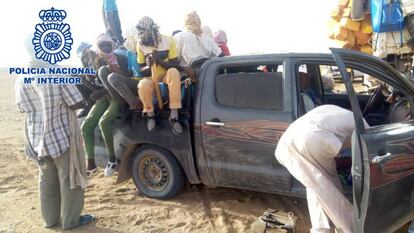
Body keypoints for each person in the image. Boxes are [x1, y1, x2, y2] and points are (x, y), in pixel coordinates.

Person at [15, 37, 94, 229]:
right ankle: (71, 221)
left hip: (37, 139)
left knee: (46, 182)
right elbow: (76, 102)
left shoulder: (21, 78)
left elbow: (21, 108)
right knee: (70, 179)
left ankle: (50, 220)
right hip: (61, 137)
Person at [275, 105, 368, 233]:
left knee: (314, 186)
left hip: (288, 143)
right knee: (329, 187)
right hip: (313, 139)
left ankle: (321, 229)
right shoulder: (365, 129)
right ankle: (348, 228)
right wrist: (352, 167)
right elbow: (361, 164)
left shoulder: (340, 114)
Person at [81, 34, 124, 177]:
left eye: (108, 45)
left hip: (116, 96)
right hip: (104, 96)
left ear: (112, 45)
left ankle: (112, 159)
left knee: (103, 122)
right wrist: (86, 63)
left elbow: (121, 79)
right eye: (102, 45)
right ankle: (91, 162)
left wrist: (103, 90)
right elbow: (92, 79)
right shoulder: (95, 59)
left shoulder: (117, 58)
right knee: (86, 126)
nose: (106, 48)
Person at [136, 16, 186, 134]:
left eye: (142, 32)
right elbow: (141, 69)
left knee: (174, 72)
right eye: (139, 33)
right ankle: (150, 114)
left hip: (165, 75)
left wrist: (160, 61)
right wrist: (148, 65)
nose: (140, 35)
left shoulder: (168, 40)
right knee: (143, 84)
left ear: (151, 31)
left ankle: (174, 115)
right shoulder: (140, 44)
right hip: (150, 77)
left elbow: (175, 64)